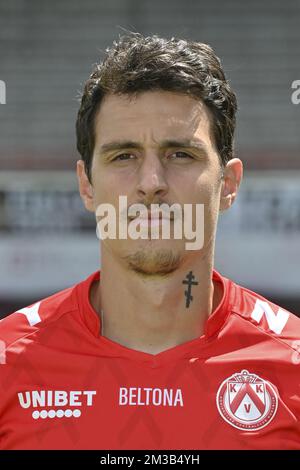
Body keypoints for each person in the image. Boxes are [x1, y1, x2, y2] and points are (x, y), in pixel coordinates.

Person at [0, 32, 299, 450]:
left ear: (229, 184)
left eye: (180, 154)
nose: (151, 184)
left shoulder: (291, 364)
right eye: (124, 155)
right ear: (87, 186)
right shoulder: (9, 363)